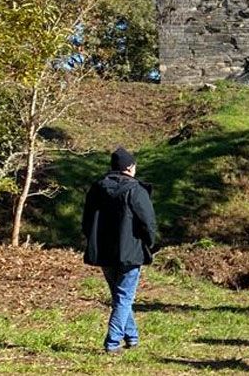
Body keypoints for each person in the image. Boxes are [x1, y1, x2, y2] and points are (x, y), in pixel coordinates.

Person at [82, 147, 158, 354]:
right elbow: (148, 223)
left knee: (120, 296)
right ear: (130, 167)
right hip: (130, 252)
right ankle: (112, 342)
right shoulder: (136, 190)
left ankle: (132, 337)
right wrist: (150, 244)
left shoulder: (97, 188)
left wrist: (91, 240)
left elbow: (86, 221)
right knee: (124, 297)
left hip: (104, 252)